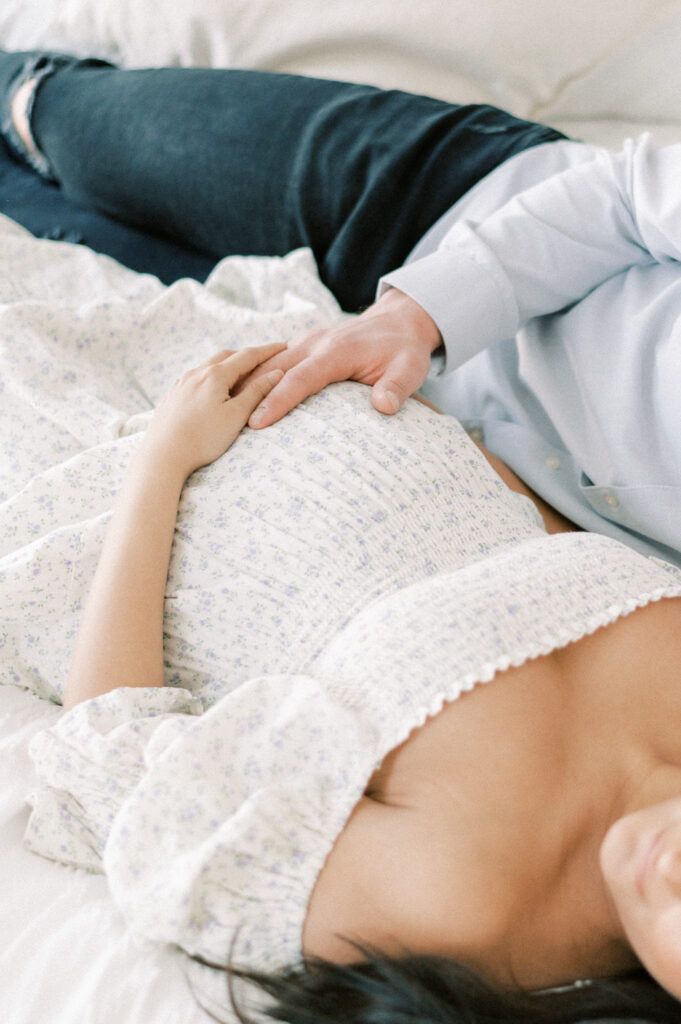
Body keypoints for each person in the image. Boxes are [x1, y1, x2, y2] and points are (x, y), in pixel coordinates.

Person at [1, 51, 681, 1024]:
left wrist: (163, 461)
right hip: (358, 289)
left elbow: (118, 763)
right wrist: (400, 343)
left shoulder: (463, 907)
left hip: (116, 436)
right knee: (58, 117)